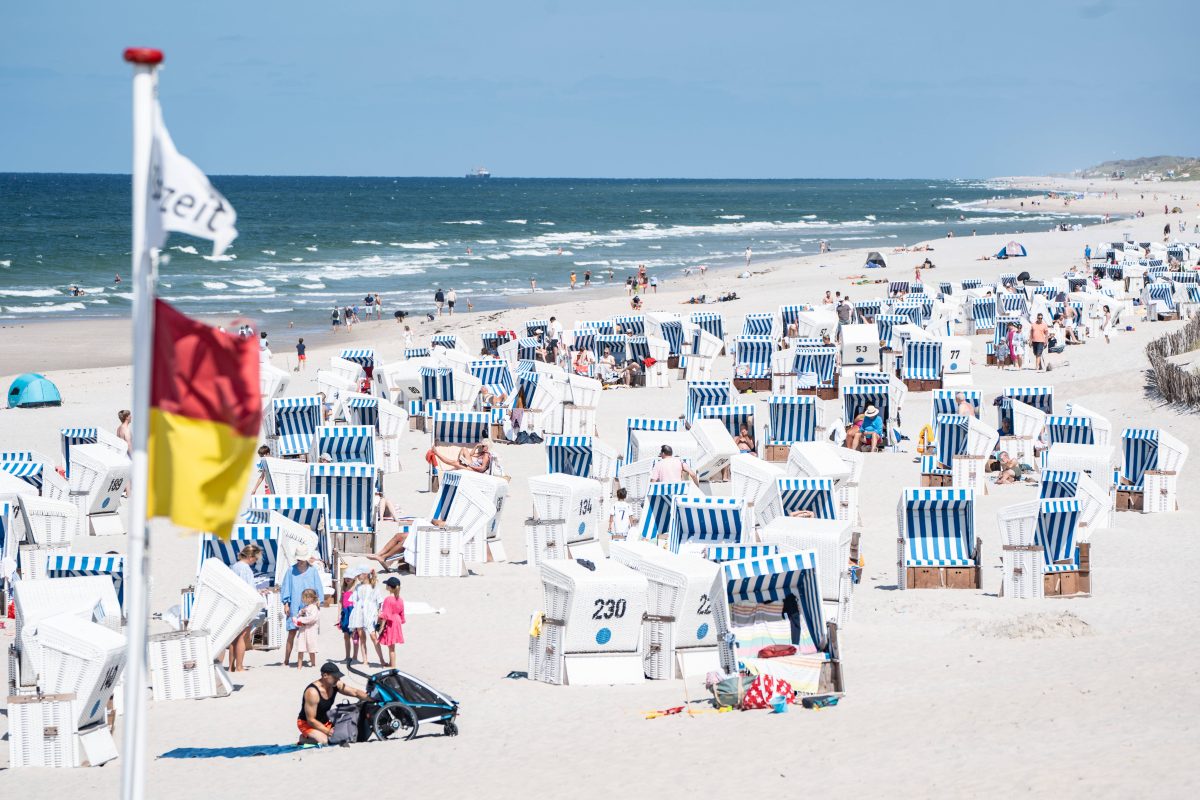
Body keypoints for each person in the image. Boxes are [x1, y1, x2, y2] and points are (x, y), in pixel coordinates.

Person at [297, 662, 369, 745]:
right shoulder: (312, 692)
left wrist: (371, 698)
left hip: (325, 721)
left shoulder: (335, 685)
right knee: (325, 741)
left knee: (346, 734)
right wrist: (328, 731)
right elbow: (311, 720)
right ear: (325, 676)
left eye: (338, 677)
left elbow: (355, 692)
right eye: (335, 677)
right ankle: (303, 738)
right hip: (306, 724)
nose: (338, 680)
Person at [281, 547, 325, 668]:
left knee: (310, 634)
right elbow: (286, 587)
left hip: (310, 605)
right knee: (292, 632)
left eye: (303, 559)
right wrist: (286, 604)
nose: (301, 561)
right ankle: (286, 660)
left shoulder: (313, 571)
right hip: (295, 605)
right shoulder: (291, 570)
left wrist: (318, 602)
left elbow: (318, 588)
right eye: (299, 559)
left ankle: (310, 660)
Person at [228, 544, 264, 672]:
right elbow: (248, 589)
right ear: (250, 557)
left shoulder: (235, 566)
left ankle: (232, 666)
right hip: (245, 605)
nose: (255, 561)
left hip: (235, 604)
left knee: (234, 637)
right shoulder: (245, 569)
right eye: (255, 558)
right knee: (243, 636)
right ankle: (239, 666)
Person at [349, 570, 384, 665]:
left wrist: (379, 613)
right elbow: (354, 600)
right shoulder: (357, 586)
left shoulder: (374, 586)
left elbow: (380, 601)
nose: (357, 577)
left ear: (365, 575)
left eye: (359, 575)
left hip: (370, 613)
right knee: (362, 637)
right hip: (359, 612)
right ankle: (365, 660)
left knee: (373, 636)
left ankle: (381, 659)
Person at [378, 577, 406, 668]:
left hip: (391, 622)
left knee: (391, 647)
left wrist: (381, 628)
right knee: (392, 646)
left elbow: (385, 615)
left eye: (387, 585)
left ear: (389, 587)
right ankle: (391, 664)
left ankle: (393, 666)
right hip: (397, 621)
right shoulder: (400, 599)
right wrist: (401, 620)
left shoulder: (388, 599)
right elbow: (402, 613)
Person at [293, 588, 321, 669]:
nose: (303, 599)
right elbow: (301, 614)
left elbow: (313, 618)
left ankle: (313, 664)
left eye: (304, 597)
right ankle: (299, 665)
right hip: (303, 630)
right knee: (300, 647)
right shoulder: (306, 607)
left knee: (311, 647)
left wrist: (301, 620)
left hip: (311, 630)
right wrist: (300, 613)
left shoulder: (314, 607)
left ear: (310, 598)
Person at [338, 575, 356, 662]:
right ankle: (347, 656)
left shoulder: (355, 588)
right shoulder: (343, 589)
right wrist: (338, 615)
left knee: (354, 635)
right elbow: (340, 602)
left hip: (352, 611)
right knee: (346, 635)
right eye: (346, 577)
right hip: (345, 613)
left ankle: (355, 656)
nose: (348, 579)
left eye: (350, 577)